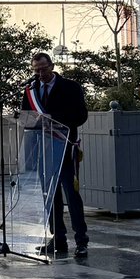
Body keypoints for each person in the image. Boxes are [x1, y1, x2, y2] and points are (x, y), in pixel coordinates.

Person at [24, 51, 89, 258]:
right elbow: (27, 116)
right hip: (43, 149)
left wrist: (54, 118)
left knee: (71, 195)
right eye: (36, 70)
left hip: (65, 147)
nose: (40, 74)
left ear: (52, 66)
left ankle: (81, 241)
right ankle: (58, 238)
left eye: (43, 69)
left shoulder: (70, 87)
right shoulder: (31, 90)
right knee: (50, 197)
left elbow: (81, 115)